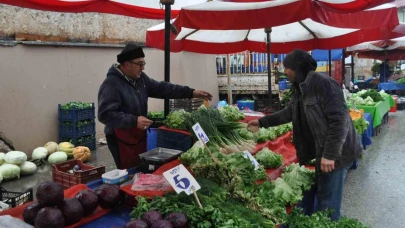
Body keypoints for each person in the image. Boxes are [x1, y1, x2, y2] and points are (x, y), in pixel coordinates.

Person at [248, 49, 362, 221]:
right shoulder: (300, 88)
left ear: (298, 67)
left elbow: (340, 121)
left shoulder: (324, 84)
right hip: (322, 150)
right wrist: (262, 122)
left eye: (287, 67)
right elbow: (289, 112)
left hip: (338, 152)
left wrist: (330, 154)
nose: (284, 71)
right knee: (324, 196)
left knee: (329, 206)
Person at [98, 43, 212, 169]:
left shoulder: (141, 79)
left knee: (140, 168)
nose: (142, 68)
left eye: (143, 64)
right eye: (139, 64)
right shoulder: (111, 84)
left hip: (138, 135)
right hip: (120, 139)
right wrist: (134, 120)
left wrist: (191, 92)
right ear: (126, 64)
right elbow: (105, 114)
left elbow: (163, 88)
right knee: (128, 172)